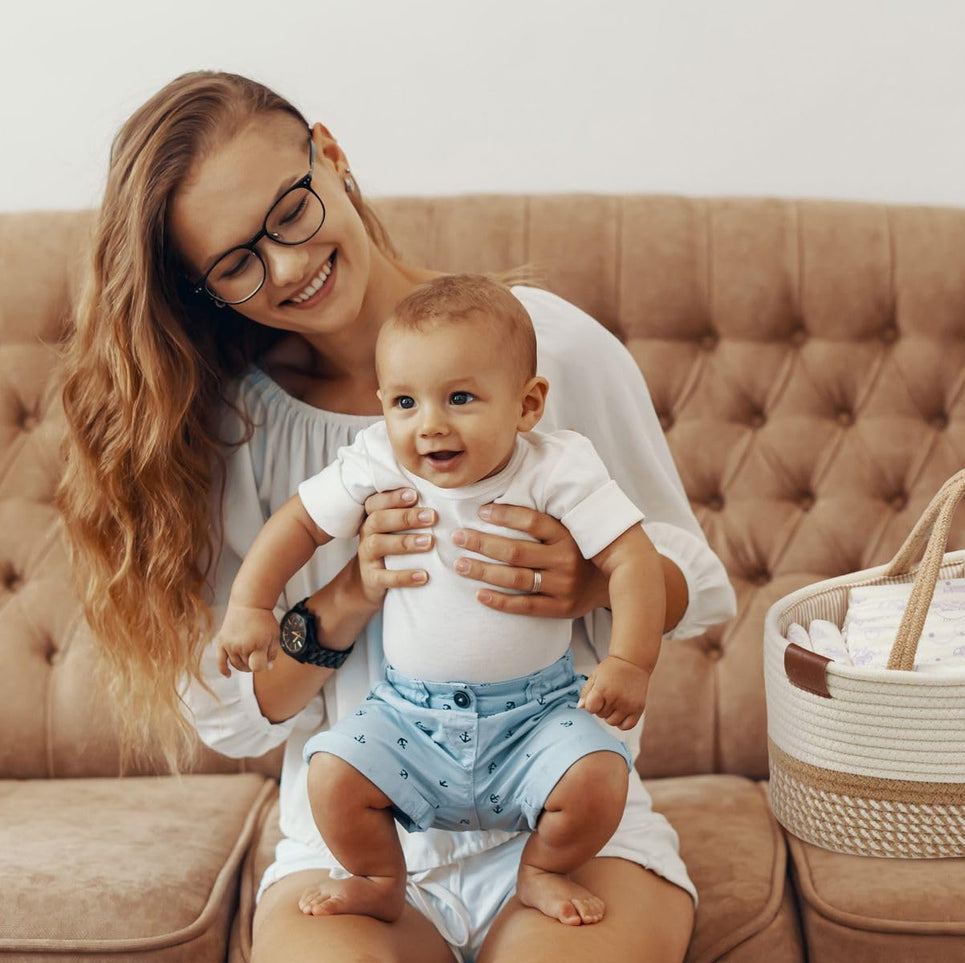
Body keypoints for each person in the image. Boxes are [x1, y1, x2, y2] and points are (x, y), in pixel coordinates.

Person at [57, 70, 735, 963]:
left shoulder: (546, 348)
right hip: (349, 843)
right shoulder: (236, 426)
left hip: (564, 829)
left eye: (290, 211)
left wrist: (589, 580)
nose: (288, 266)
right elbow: (229, 708)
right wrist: (347, 594)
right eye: (236, 263)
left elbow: (704, 583)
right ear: (204, 289)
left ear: (331, 159)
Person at [217, 272, 665, 928]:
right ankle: (377, 877)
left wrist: (630, 662)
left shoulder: (556, 468)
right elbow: (299, 523)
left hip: (533, 715)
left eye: (459, 398)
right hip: (406, 716)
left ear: (527, 403)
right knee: (332, 774)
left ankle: (539, 868)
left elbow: (633, 557)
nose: (428, 426)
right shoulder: (378, 462)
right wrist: (250, 605)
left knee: (599, 772)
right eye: (404, 402)